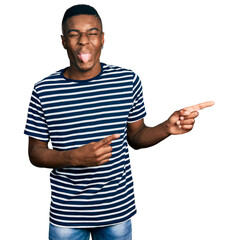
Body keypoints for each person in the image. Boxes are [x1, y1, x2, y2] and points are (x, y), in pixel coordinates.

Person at [24, 4, 214, 240]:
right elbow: (35, 153)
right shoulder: (44, 90)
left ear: (102, 39)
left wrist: (166, 127)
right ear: (63, 41)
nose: (84, 41)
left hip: (117, 212)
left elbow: (136, 137)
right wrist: (75, 157)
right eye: (74, 34)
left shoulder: (127, 80)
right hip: (67, 217)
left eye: (92, 33)